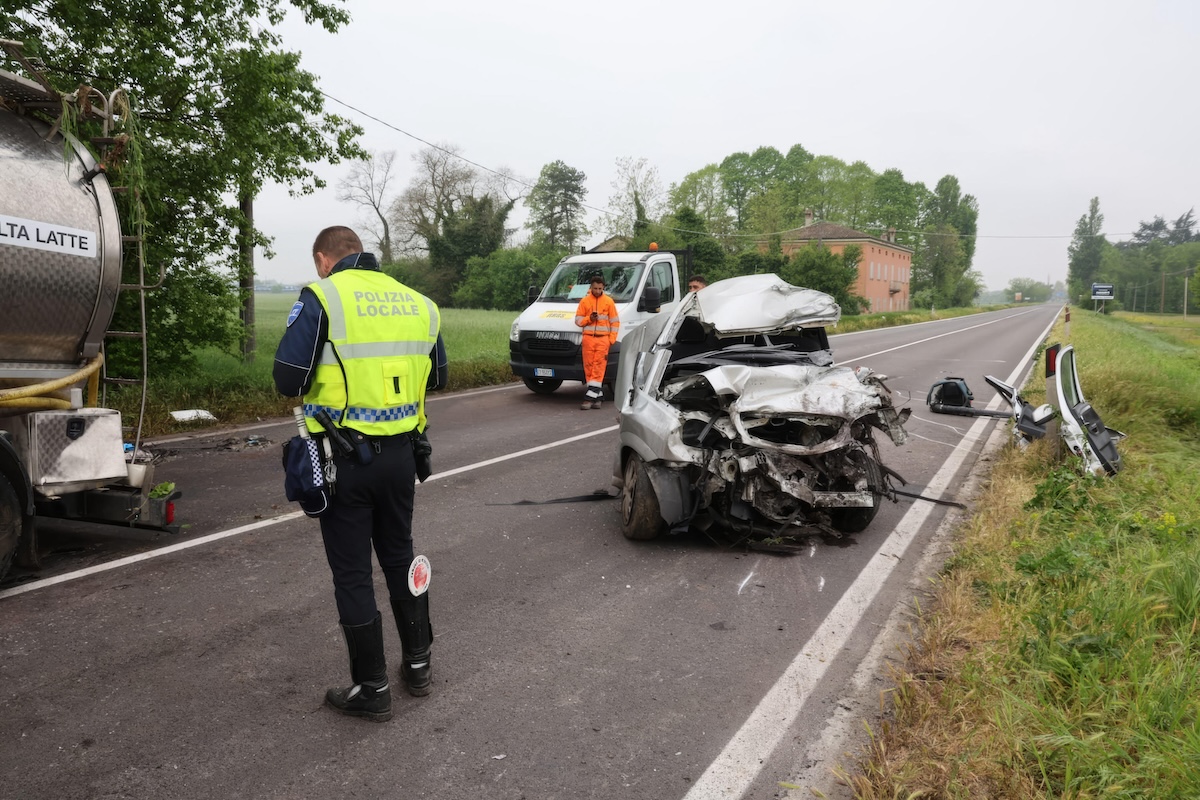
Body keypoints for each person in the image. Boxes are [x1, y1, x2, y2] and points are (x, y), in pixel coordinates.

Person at [274, 226, 448, 723]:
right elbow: (437, 377)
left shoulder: (323, 296)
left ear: (323, 258)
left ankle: (372, 688)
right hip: (402, 455)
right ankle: (418, 665)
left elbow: (288, 377)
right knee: (399, 554)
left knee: (352, 572)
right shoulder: (420, 303)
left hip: (342, 457)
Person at [574, 273, 619, 410]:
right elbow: (578, 321)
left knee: (598, 368)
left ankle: (588, 399)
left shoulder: (609, 302)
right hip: (588, 339)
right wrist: (589, 319)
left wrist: (611, 340)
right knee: (589, 368)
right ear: (591, 288)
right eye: (595, 288)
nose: (598, 291)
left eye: (600, 288)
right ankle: (598, 397)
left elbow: (615, 322)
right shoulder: (584, 301)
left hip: (603, 339)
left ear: (603, 288)